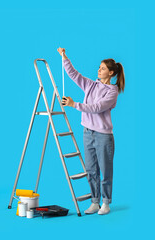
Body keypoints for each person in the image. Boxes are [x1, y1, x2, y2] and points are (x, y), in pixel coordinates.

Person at [57, 47, 125, 215]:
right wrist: (64, 56)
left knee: (105, 170)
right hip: (87, 133)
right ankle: (95, 201)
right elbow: (74, 74)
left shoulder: (112, 92)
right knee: (91, 169)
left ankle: (106, 203)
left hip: (103, 136)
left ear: (110, 73)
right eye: (99, 67)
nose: (98, 70)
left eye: (102, 68)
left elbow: (97, 108)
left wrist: (74, 105)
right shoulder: (91, 85)